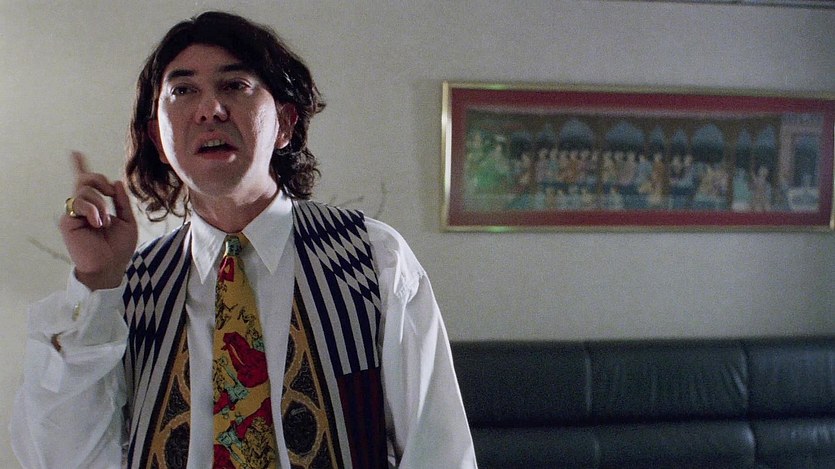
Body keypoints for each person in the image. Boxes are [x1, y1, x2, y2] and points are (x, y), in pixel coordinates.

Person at [11, 11, 477, 469]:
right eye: (182, 90)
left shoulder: (370, 259)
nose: (209, 109)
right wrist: (96, 281)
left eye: (234, 85)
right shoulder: (131, 286)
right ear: (158, 137)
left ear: (285, 123)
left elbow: (438, 451)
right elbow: (63, 458)